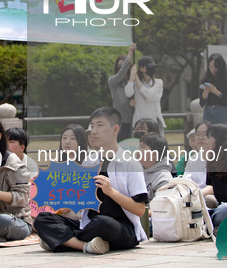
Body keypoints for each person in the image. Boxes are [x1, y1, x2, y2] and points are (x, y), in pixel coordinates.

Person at [35, 107, 148, 254]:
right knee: (42, 219)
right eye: (92, 126)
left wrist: (111, 192)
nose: (94, 131)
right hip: (89, 225)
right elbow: (83, 202)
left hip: (121, 228)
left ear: (115, 129)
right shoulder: (90, 161)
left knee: (103, 222)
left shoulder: (131, 164)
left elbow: (139, 210)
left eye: (100, 125)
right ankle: (84, 245)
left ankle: (62, 241)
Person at [125, 55, 166, 135]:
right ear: (141, 69)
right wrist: (132, 77)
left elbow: (149, 96)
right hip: (138, 122)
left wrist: (136, 79)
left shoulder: (158, 82)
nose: (152, 69)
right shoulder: (135, 83)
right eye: (149, 67)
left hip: (154, 122)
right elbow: (128, 93)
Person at [108, 44, 136, 141]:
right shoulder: (113, 81)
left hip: (133, 121)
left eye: (123, 65)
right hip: (119, 121)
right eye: (119, 66)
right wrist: (130, 54)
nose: (122, 68)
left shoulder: (134, 82)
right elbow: (121, 73)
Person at [199, 54, 227, 126]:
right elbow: (201, 103)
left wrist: (217, 92)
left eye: (216, 66)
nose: (213, 69)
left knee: (224, 134)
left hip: (222, 112)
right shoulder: (205, 80)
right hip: (208, 112)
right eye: (211, 66)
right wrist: (205, 93)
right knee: (208, 134)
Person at [139, 134, 173, 201]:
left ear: (154, 154)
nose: (138, 150)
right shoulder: (138, 171)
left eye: (142, 147)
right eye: (139, 147)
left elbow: (162, 207)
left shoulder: (163, 179)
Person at [184, 121, 212, 189]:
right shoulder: (192, 159)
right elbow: (186, 181)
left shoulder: (218, 159)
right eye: (198, 134)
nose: (200, 138)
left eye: (205, 134)